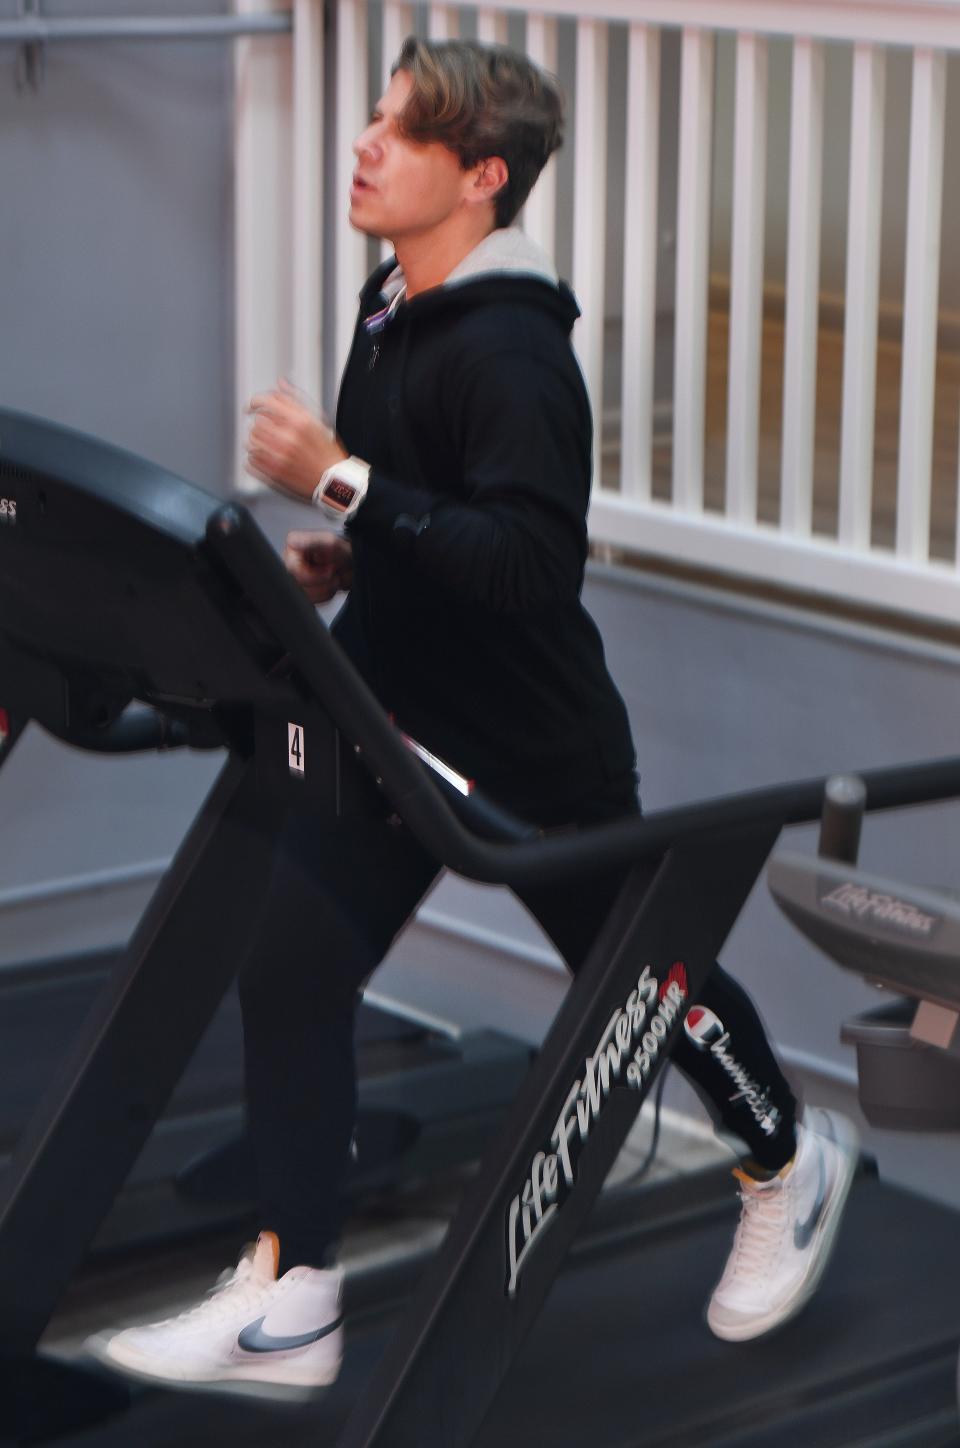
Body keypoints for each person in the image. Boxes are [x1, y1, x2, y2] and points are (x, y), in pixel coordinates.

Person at [89, 36, 859, 1395]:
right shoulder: (393, 300)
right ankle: (292, 1298)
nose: (364, 146)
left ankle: (789, 1160)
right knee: (295, 962)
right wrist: (354, 554)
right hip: (397, 719)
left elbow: (526, 565)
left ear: (482, 178)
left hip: (528, 747)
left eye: (400, 133)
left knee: (641, 990)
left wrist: (341, 488)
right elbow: (423, 517)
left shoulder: (510, 351)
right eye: (372, 120)